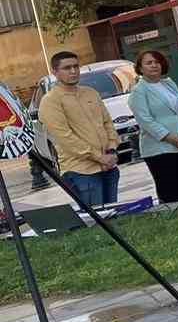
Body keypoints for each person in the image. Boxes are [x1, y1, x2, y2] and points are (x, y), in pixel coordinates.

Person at [37, 50, 120, 209]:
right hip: (81, 171)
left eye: (76, 66)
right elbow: (65, 138)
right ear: (55, 71)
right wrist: (98, 157)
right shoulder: (50, 101)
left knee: (114, 215)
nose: (74, 71)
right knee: (98, 222)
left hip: (108, 166)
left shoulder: (91, 93)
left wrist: (111, 151)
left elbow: (107, 123)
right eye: (67, 68)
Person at [129, 49, 178, 206]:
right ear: (140, 67)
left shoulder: (169, 83)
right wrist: (171, 138)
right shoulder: (139, 91)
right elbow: (145, 120)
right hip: (159, 149)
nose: (154, 65)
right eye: (149, 63)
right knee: (170, 191)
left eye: (157, 62)